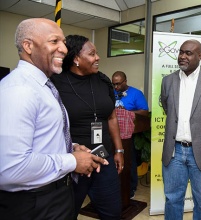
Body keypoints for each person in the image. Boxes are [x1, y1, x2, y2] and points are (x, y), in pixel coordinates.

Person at [0, 18, 108, 220]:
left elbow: (40, 138)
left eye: (63, 42)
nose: (64, 49)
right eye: (54, 41)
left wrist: (70, 147)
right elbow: (10, 168)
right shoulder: (19, 90)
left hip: (55, 196)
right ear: (28, 46)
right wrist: (71, 161)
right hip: (34, 203)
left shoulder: (44, 86)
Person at [51, 35, 124, 220]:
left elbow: (112, 117)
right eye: (92, 54)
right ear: (76, 58)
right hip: (72, 163)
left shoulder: (102, 80)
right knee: (67, 213)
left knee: (112, 213)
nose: (98, 57)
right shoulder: (56, 83)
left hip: (103, 158)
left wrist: (119, 149)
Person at [160, 39, 201, 220]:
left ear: (200, 56)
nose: (183, 56)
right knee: (172, 200)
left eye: (188, 53)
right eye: (181, 52)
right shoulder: (168, 81)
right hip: (174, 151)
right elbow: (168, 108)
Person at [112, 70, 149, 198]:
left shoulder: (136, 94)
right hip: (112, 133)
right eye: (114, 84)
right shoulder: (111, 93)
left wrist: (127, 112)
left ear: (125, 81)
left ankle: (131, 188)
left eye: (118, 84)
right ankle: (114, 187)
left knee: (129, 161)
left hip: (130, 135)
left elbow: (144, 112)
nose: (116, 87)